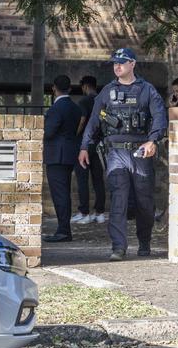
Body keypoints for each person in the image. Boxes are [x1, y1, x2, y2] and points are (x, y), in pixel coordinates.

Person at [79, 48, 168, 261]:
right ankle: (118, 247)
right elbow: (94, 121)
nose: (117, 66)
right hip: (115, 152)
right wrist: (84, 146)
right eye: (115, 63)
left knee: (144, 201)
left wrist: (152, 140)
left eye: (122, 62)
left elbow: (159, 117)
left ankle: (144, 241)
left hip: (140, 152)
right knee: (118, 199)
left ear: (133, 64)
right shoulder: (107, 92)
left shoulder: (147, 90)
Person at [43, 75, 83, 242]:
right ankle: (64, 229)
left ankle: (63, 231)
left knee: (59, 194)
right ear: (70, 89)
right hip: (69, 153)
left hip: (56, 155)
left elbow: (49, 132)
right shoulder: (75, 108)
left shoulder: (55, 109)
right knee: (64, 193)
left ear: (54, 88)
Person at [71, 75, 106, 224]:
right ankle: (100, 213)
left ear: (85, 86)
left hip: (84, 146)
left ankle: (84, 212)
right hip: (99, 146)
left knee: (82, 179)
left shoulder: (84, 101)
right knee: (98, 180)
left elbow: (82, 120)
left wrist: (75, 135)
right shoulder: (102, 101)